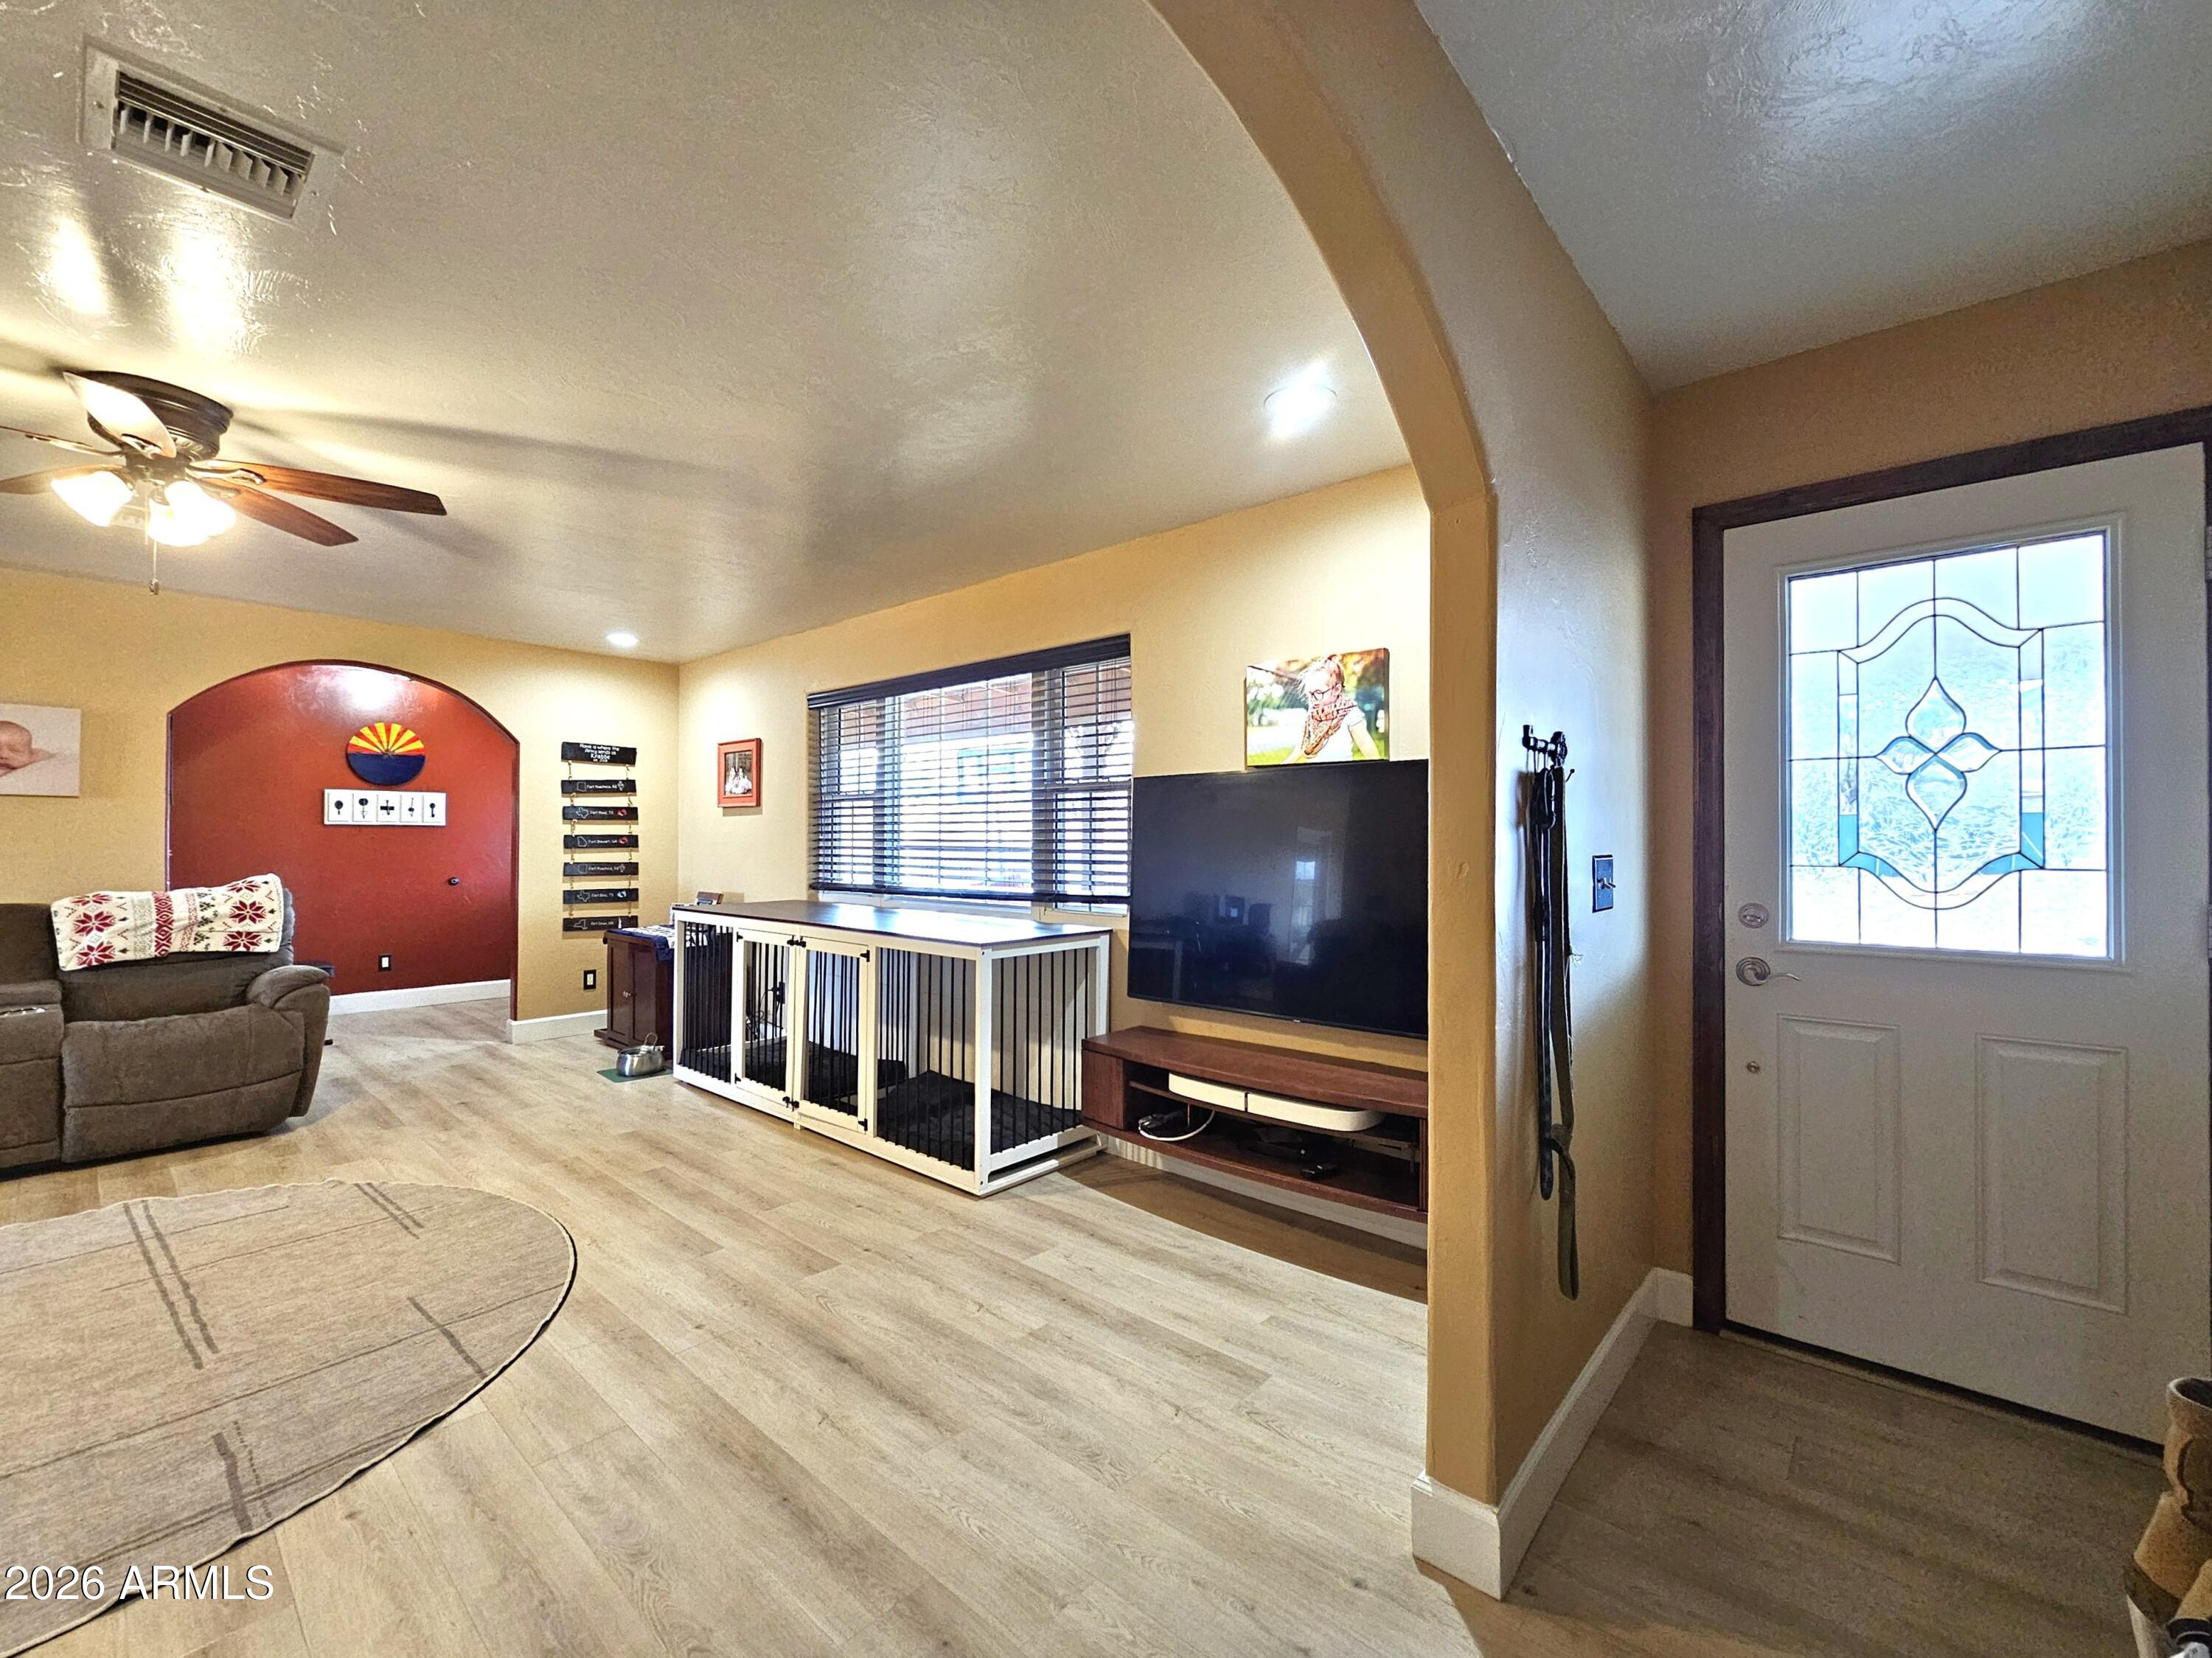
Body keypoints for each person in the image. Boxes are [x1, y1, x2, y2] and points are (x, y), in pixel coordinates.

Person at [1291, 657, 1380, 762]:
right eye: (1310, 694)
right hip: (1315, 773)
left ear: (1336, 690)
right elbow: (1301, 746)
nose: (1313, 699)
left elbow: (1365, 743)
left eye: (1318, 693)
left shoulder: (1350, 712)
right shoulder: (1312, 715)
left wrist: (1378, 769)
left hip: (1340, 773)